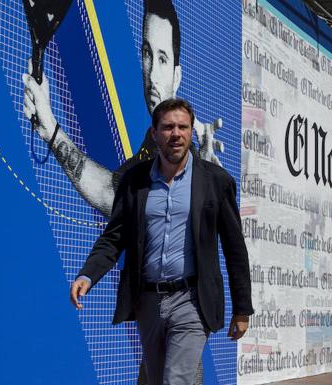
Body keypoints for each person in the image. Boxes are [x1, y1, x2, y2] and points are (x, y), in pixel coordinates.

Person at [69, 98, 253, 385]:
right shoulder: (134, 181)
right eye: (168, 127)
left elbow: (234, 248)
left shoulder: (215, 181)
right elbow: (114, 236)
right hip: (149, 302)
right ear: (155, 134)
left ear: (191, 132)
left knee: (176, 380)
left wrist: (242, 308)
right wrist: (88, 274)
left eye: (183, 127)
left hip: (192, 301)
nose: (176, 133)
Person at [22, 0, 223, 217]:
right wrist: (49, 128)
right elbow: (111, 189)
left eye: (163, 59)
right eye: (147, 53)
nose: (152, 74)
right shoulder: (156, 140)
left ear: (177, 77)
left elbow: (112, 196)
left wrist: (52, 129)